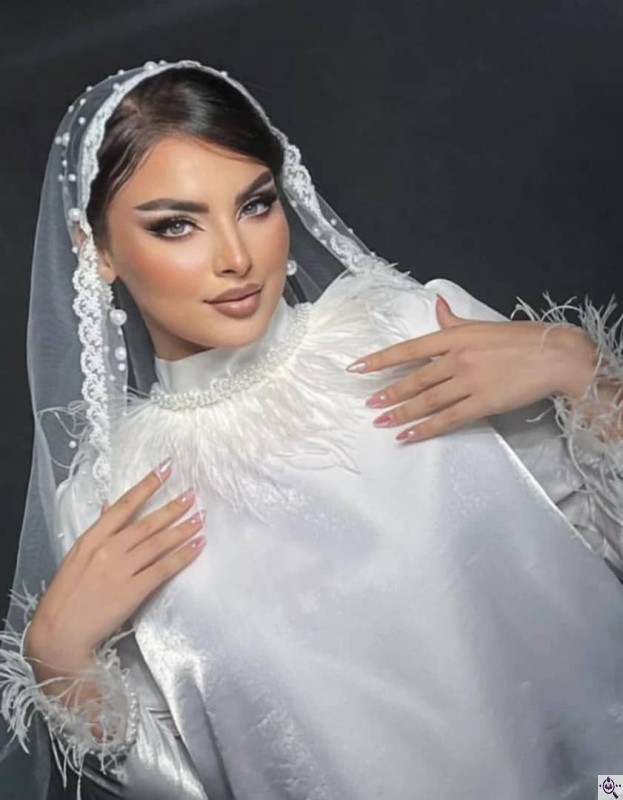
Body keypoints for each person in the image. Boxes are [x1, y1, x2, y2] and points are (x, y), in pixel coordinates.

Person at [1, 58, 622, 800]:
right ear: (96, 249)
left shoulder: (418, 335)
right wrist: (60, 663)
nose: (236, 258)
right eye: (176, 225)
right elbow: (187, 784)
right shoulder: (110, 504)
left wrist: (587, 378)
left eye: (255, 205)